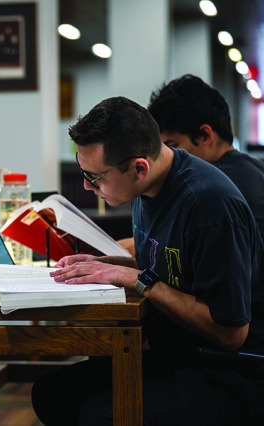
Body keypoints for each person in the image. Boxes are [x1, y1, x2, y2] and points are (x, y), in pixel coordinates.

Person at [30, 96, 264, 425]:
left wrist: (136, 279)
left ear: (139, 167)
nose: (86, 186)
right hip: (182, 352)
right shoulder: (148, 186)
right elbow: (165, 263)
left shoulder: (209, 205)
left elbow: (231, 333)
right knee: (52, 393)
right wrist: (106, 265)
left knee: (99, 418)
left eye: (94, 178)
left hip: (234, 369)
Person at [118, 74, 264, 255]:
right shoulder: (251, 169)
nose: (164, 157)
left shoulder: (216, 188)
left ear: (205, 135)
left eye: (172, 146)